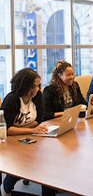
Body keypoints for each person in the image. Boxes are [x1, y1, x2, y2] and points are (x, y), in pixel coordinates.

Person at [0, 68, 48, 196]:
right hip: (10, 142)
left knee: (45, 158)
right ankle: (7, 187)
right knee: (24, 161)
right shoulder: (12, 99)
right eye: (35, 86)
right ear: (25, 85)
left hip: (28, 137)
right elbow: (6, 129)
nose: (38, 89)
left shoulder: (37, 97)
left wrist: (27, 130)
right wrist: (30, 130)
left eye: (38, 85)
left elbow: (39, 119)